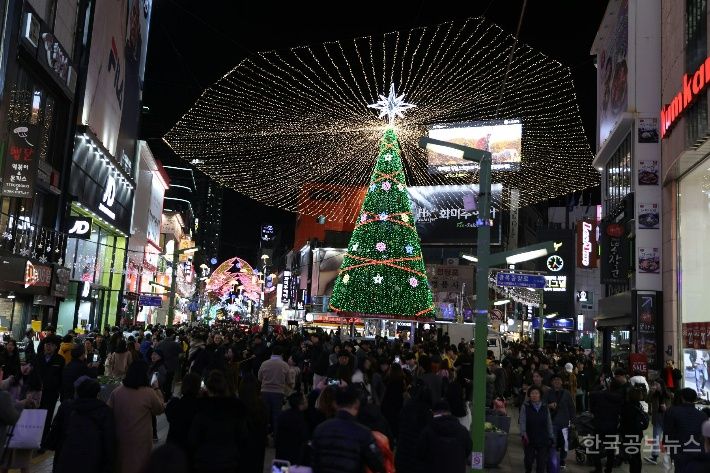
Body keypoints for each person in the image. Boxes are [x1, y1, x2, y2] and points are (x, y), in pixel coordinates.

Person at [46, 376, 115, 473]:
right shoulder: (104, 411)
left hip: (66, 458)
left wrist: (50, 444)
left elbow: (55, 431)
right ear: (97, 393)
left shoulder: (67, 407)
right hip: (93, 461)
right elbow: (108, 440)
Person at [311, 385, 385, 473]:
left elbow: (314, 462)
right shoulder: (363, 433)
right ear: (356, 403)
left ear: (335, 404)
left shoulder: (320, 429)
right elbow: (377, 464)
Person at [108, 361, 165, 473]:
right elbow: (160, 409)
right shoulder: (149, 393)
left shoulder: (117, 392)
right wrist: (157, 389)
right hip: (141, 440)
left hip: (121, 437)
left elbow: (108, 411)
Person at [189, 370, 248, 473]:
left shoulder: (201, 409)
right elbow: (242, 435)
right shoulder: (236, 408)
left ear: (207, 389)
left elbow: (193, 438)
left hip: (204, 460)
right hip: (229, 460)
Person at [417, 400, 472, 473]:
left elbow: (420, 452)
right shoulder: (463, 431)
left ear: (434, 413)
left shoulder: (427, 431)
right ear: (449, 412)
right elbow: (468, 448)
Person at [663, 387, 707, 468]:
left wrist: (668, 447)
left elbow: (668, 431)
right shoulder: (703, 416)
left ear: (682, 398)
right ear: (694, 399)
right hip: (697, 450)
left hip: (679, 451)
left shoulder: (672, 411)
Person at [32, 338, 64, 449]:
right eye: (46, 344)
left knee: (47, 417)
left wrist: (58, 390)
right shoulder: (37, 357)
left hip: (51, 393)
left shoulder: (60, 360)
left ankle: (43, 443)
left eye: (51, 345)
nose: (48, 347)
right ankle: (32, 440)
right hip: (36, 392)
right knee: (34, 416)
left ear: (55, 347)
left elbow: (61, 377)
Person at [520, 385, 554, 473]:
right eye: (532, 393)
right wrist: (524, 434)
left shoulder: (545, 406)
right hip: (529, 438)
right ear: (529, 395)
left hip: (543, 438)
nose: (534, 395)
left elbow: (549, 422)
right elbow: (522, 421)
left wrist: (551, 436)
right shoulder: (525, 406)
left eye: (536, 393)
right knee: (528, 460)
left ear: (540, 395)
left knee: (541, 463)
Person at [165, 372, 201, 454]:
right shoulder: (201, 406)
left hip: (174, 447)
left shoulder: (174, 404)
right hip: (193, 450)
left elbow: (168, 414)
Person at [545, 373, 576, 469]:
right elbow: (542, 405)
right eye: (555, 379)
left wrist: (573, 421)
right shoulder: (548, 393)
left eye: (559, 379)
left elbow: (572, 408)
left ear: (562, 382)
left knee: (564, 444)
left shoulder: (567, 393)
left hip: (564, 423)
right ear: (551, 382)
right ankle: (552, 460)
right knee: (552, 442)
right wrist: (549, 406)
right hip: (552, 423)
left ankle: (562, 460)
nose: (557, 381)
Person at [257, 345, 289, 434]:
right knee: (276, 416)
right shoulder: (285, 365)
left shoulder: (265, 363)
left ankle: (263, 437)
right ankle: (276, 438)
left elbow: (259, 378)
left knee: (265, 416)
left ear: (272, 353)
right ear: (282, 354)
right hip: (278, 392)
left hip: (265, 391)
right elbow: (288, 380)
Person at [274, 392, 309, 465]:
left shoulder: (283, 415)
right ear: (301, 402)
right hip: (295, 458)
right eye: (305, 398)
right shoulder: (301, 418)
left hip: (281, 457)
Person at [644, 377, 672, 464]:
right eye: (654, 384)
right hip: (657, 417)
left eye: (657, 384)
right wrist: (651, 392)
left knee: (668, 438)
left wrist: (666, 409)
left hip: (666, 418)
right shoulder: (654, 393)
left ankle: (672, 457)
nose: (655, 386)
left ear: (661, 385)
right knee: (656, 437)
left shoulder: (667, 394)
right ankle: (654, 456)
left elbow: (672, 406)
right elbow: (646, 400)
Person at [156, 329, 182, 400]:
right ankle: (167, 397)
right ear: (173, 335)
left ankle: (161, 396)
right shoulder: (175, 344)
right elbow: (181, 354)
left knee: (162, 382)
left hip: (161, 366)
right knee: (169, 382)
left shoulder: (160, 343)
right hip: (171, 367)